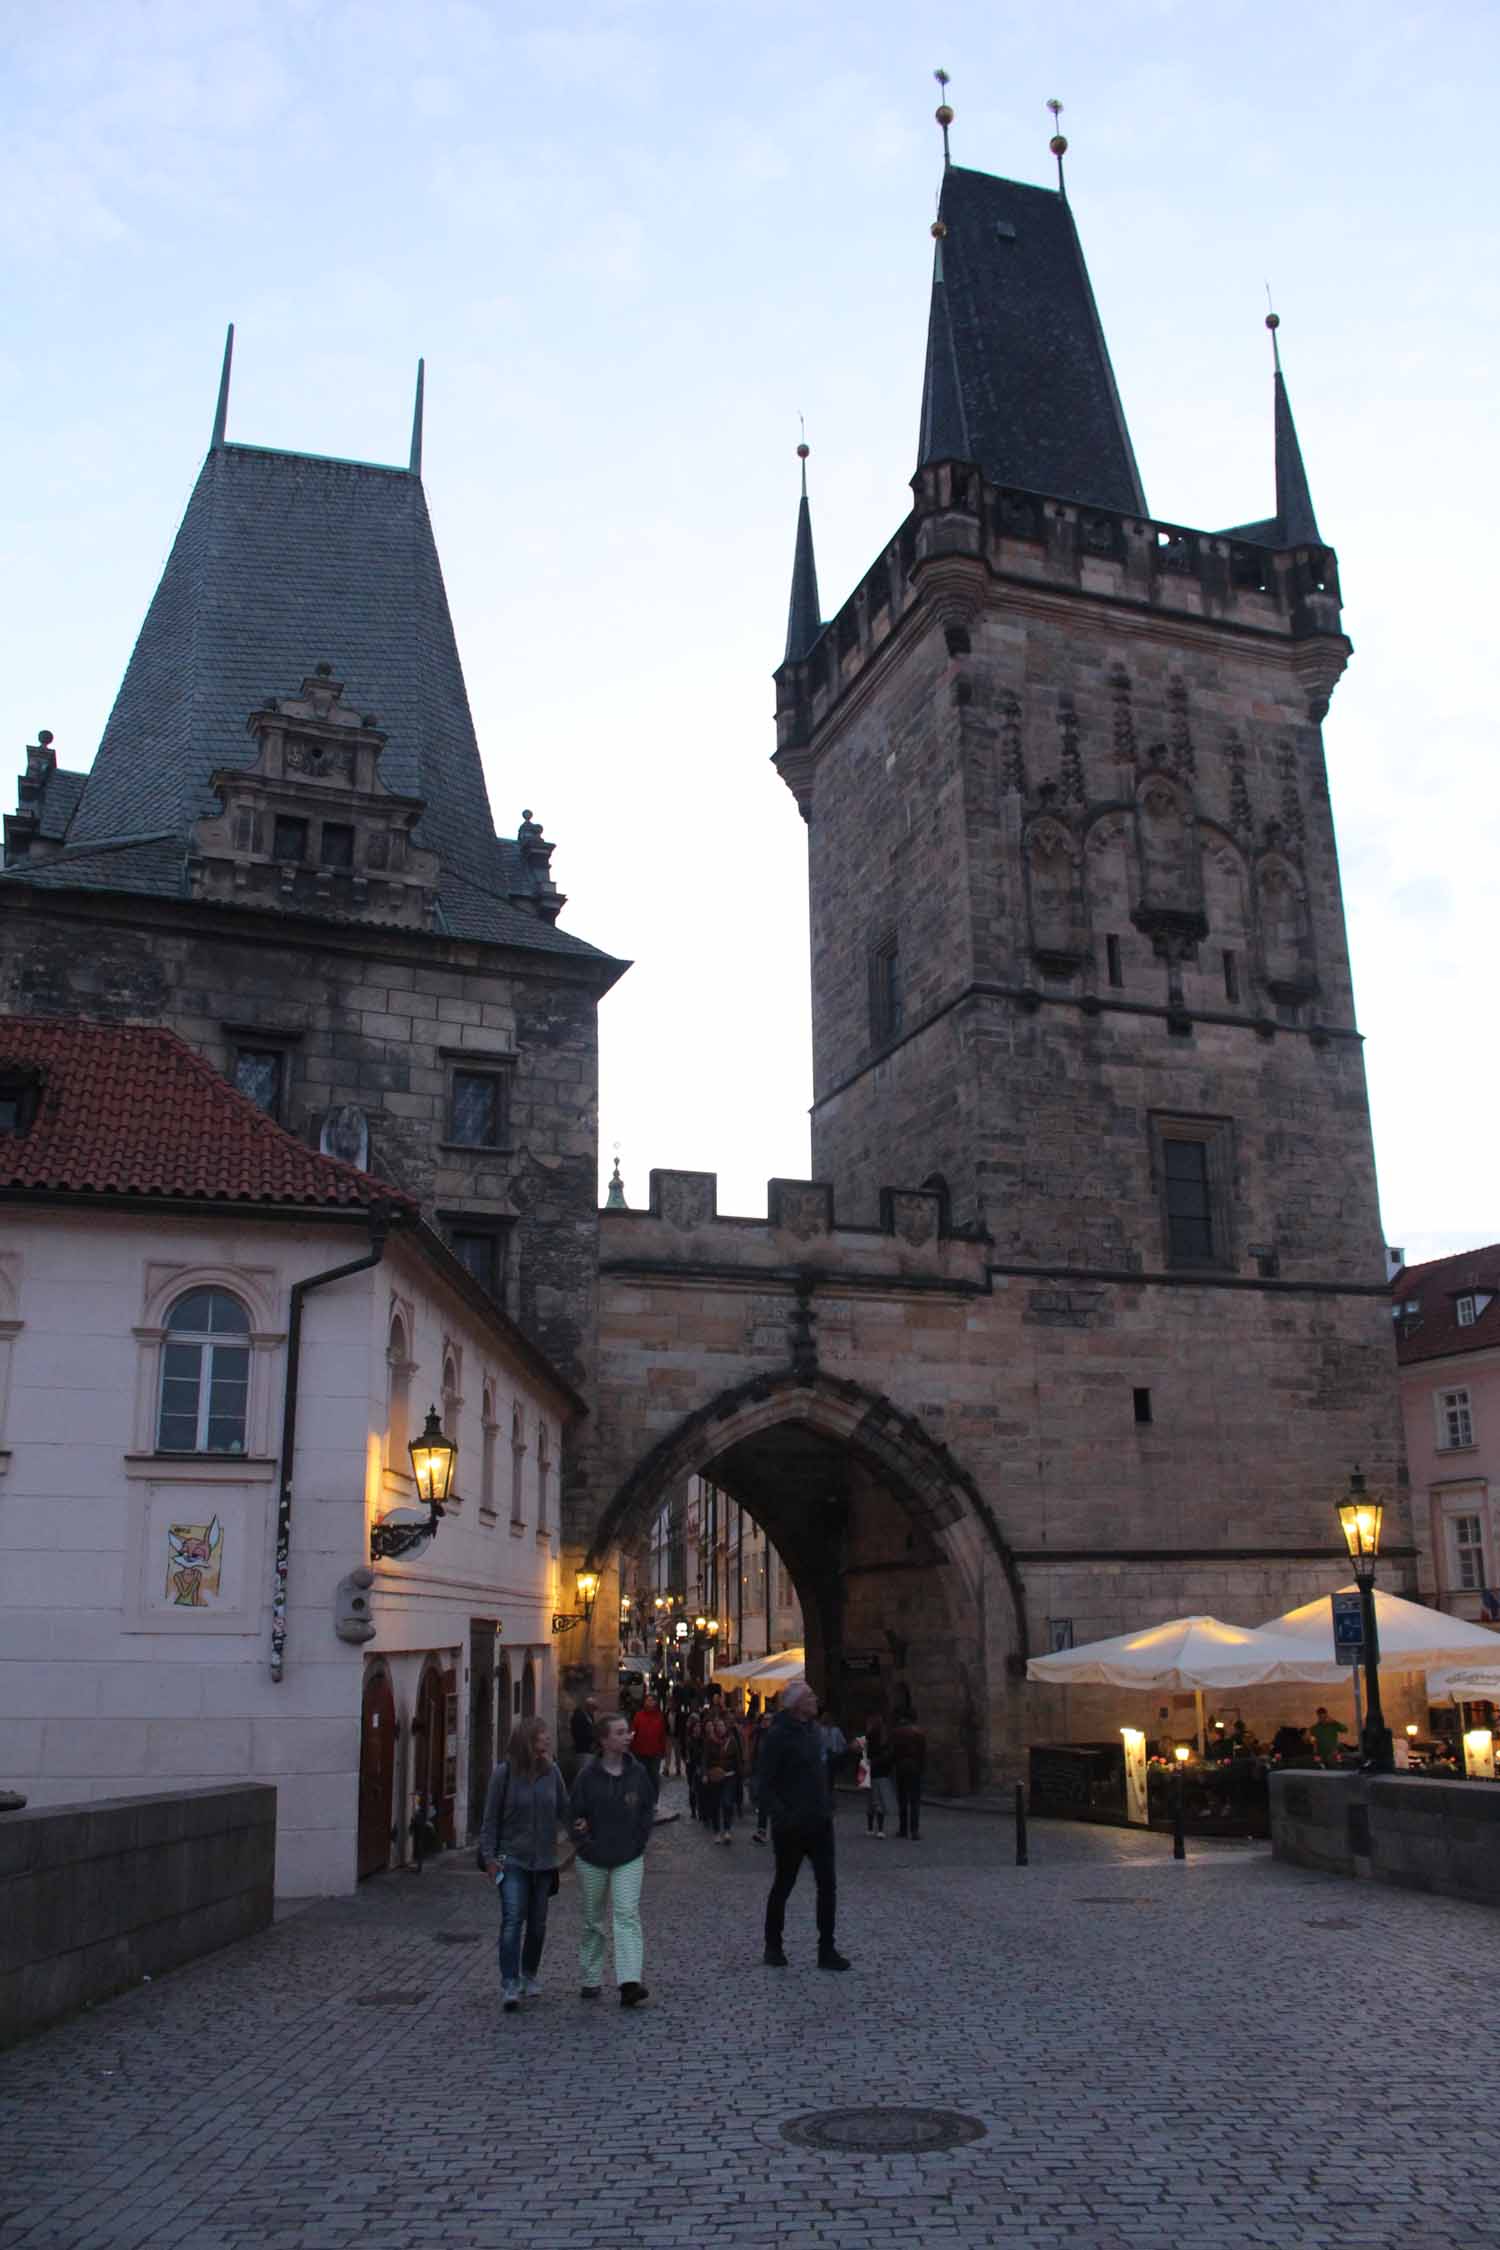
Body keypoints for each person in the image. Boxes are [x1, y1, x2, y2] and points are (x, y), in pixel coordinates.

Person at [479, 1715, 572, 2014]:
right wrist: (489, 1857)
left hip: (544, 1861)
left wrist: (584, 1834)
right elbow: (490, 1819)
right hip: (511, 1859)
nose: (547, 1740)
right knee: (512, 1920)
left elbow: (565, 1810)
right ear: (528, 1741)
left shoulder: (552, 1772)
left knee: (538, 1925)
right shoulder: (503, 1775)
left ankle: (529, 1973)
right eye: (543, 1736)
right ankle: (510, 1982)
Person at [759, 1680, 850, 1971]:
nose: (815, 1699)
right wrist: (783, 1816)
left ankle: (827, 1949)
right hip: (792, 1827)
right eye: (810, 1696)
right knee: (783, 1885)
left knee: (828, 1886)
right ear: (797, 1704)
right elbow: (763, 1785)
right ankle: (773, 1946)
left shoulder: (815, 1732)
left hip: (820, 1821)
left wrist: (849, 1755)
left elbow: (824, 1767)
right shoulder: (777, 1736)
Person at [569, 1712, 656, 2008]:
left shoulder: (638, 1774)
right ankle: (591, 1977)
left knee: (627, 1916)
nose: (627, 1736)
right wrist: (585, 1844)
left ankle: (629, 1981)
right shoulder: (587, 1777)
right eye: (619, 1732)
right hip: (593, 1858)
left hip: (628, 1857)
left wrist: (639, 1841)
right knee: (593, 1920)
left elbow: (647, 1809)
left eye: (626, 1731)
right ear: (604, 1740)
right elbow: (575, 1815)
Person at [700, 1703, 742, 1843]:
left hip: (729, 1776)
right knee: (715, 1804)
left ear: (726, 1727)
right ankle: (717, 1831)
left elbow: (737, 1759)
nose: (720, 1728)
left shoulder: (732, 1741)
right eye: (718, 1726)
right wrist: (705, 1774)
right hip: (714, 1777)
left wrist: (739, 1774)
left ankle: (727, 1830)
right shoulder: (710, 1741)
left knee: (727, 1803)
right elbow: (705, 1759)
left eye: (722, 1726)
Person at [890, 1708, 926, 1840]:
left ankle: (903, 1829)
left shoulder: (896, 1732)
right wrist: (922, 1768)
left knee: (902, 1799)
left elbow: (892, 1751)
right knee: (915, 1800)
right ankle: (914, 1830)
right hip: (915, 1766)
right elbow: (922, 1753)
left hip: (901, 1766)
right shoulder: (919, 1733)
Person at [629, 1692, 669, 1790]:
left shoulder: (659, 1717)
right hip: (640, 1752)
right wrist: (630, 1745)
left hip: (655, 1753)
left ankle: (654, 1799)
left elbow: (662, 1735)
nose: (650, 1702)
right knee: (641, 1777)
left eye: (652, 1700)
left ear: (655, 1703)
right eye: (648, 1700)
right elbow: (633, 1731)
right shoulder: (638, 1715)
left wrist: (663, 1750)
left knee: (654, 1777)